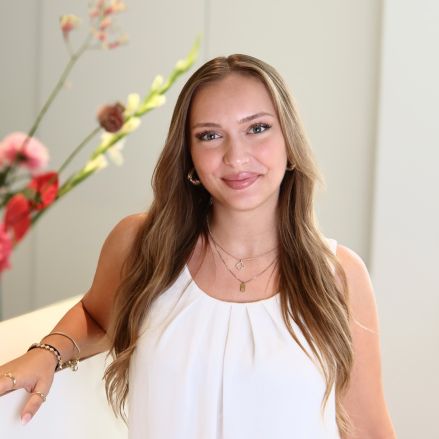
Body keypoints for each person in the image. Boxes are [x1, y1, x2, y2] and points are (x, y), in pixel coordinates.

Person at [0, 54, 396, 438]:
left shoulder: (339, 274)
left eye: (257, 128)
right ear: (189, 156)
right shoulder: (142, 245)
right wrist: (47, 352)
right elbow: (96, 315)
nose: (236, 156)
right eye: (210, 136)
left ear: (289, 141)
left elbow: (369, 431)